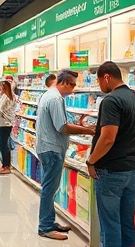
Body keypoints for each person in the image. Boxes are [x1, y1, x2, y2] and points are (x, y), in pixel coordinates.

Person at [86, 61, 135, 247]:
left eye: (99, 82)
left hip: (112, 172)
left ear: (106, 77)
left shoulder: (111, 101)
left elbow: (108, 138)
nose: (100, 86)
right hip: (133, 171)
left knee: (110, 225)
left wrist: (91, 161)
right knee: (127, 224)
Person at [35, 70, 95, 240]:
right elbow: (63, 127)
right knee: (49, 188)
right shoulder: (54, 98)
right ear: (65, 83)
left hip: (49, 147)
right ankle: (45, 227)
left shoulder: (51, 96)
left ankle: (49, 221)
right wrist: (88, 130)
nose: (74, 89)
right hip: (51, 149)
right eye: (73, 85)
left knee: (51, 187)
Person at [0, 80, 17, 175]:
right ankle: (6, 165)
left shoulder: (5, 97)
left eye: (1, 87)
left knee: (3, 145)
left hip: (3, 124)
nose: (0, 89)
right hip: (6, 124)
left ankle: (6, 166)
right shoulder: (12, 97)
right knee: (4, 144)